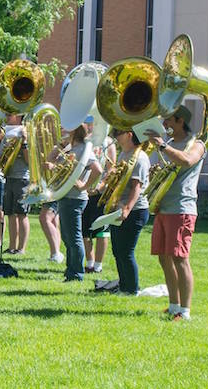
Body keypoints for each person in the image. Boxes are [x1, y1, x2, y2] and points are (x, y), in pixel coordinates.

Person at [146, 105, 205, 321]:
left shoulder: (197, 144)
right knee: (164, 258)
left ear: (181, 121)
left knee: (180, 258)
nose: (165, 125)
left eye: (169, 121)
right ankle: (173, 306)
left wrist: (162, 146)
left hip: (182, 208)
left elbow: (187, 160)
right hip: (164, 206)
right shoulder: (170, 143)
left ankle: (185, 311)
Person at [57, 125, 102, 281]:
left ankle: (76, 273)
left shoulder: (84, 148)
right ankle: (71, 269)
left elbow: (98, 170)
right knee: (67, 236)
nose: (62, 128)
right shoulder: (71, 148)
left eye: (66, 126)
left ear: (74, 130)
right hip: (65, 196)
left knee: (74, 237)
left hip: (75, 198)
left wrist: (83, 186)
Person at [109, 129, 150, 296]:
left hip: (134, 210)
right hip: (120, 208)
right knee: (117, 250)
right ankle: (124, 286)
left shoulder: (139, 157)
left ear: (129, 135)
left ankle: (131, 289)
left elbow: (136, 187)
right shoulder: (124, 154)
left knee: (126, 251)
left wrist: (126, 208)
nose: (115, 136)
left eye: (118, 133)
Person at [83, 121, 116, 273]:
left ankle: (98, 265)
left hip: (100, 194)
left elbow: (111, 169)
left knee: (102, 229)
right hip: (84, 191)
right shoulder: (86, 140)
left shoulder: (108, 142)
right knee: (85, 230)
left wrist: (100, 186)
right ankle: (89, 263)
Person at [0, 114, 30, 254]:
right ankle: (12, 247)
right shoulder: (7, 133)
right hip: (9, 176)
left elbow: (29, 161)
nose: (6, 115)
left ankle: (21, 248)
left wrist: (23, 142)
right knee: (10, 213)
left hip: (22, 178)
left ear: (18, 116)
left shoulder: (26, 131)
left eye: (9, 114)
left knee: (21, 213)